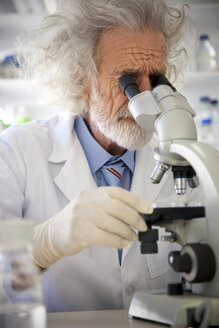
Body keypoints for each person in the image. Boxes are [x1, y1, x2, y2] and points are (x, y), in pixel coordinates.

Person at [0, 0, 196, 312]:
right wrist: (43, 245)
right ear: (82, 81)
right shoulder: (16, 153)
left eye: (156, 78)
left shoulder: (179, 159)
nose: (145, 98)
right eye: (129, 79)